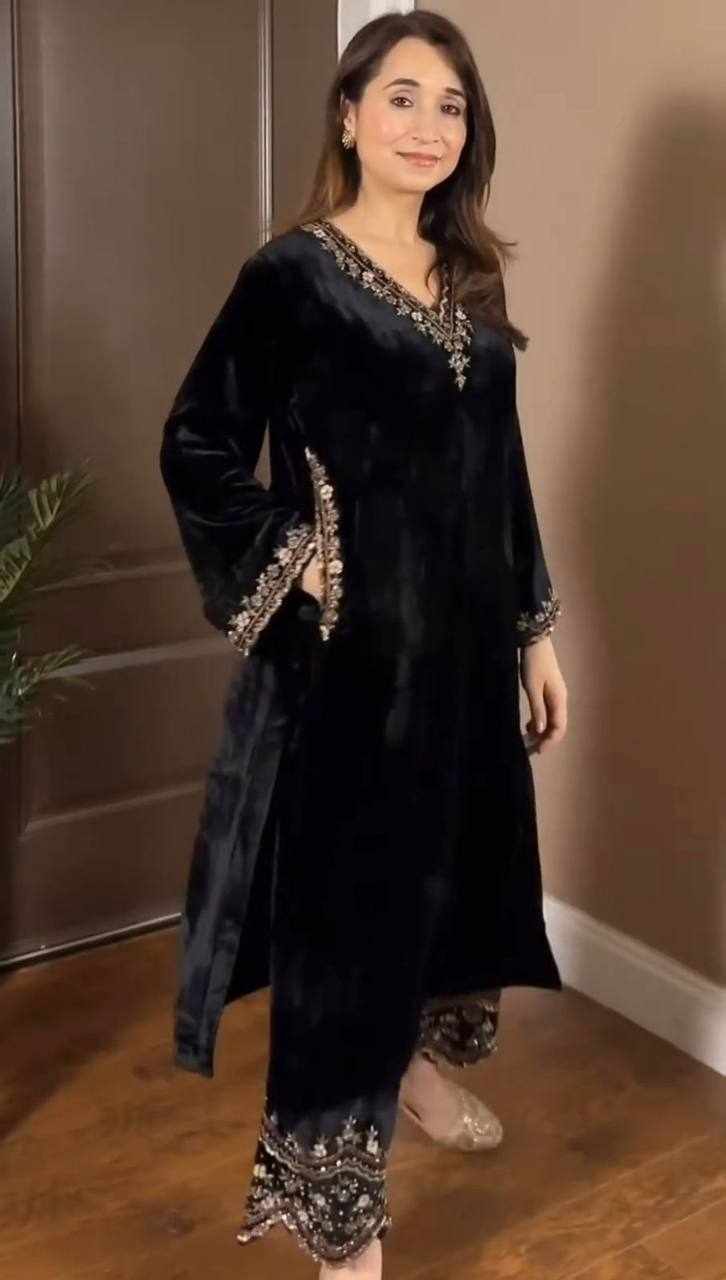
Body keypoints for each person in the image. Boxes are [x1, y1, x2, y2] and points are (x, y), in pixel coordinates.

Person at [159, 9, 568, 1278]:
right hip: (350, 669)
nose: (428, 127)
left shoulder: (472, 280)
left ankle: (413, 1074)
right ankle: (346, 1226)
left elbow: (500, 473)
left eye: (451, 106)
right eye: (402, 97)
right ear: (348, 115)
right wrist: (297, 549)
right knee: (344, 934)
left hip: (462, 665)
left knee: (442, 887)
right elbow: (197, 440)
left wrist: (535, 634)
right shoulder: (292, 276)